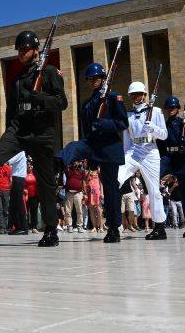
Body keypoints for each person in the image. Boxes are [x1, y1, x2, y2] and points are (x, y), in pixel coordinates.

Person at [0, 30, 67, 247]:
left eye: (25, 49)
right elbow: (11, 109)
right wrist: (9, 131)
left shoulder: (50, 72)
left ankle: (51, 229)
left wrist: (40, 98)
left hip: (41, 132)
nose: (21, 53)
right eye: (19, 50)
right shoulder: (18, 78)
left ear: (36, 50)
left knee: (46, 183)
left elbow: (62, 102)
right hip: (19, 128)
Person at [56, 61, 129, 243]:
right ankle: (56, 164)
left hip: (109, 147)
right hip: (93, 144)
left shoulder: (113, 97)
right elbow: (86, 129)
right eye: (90, 79)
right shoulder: (88, 103)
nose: (93, 81)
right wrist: (91, 159)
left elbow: (122, 123)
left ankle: (113, 228)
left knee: (111, 190)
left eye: (96, 78)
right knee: (74, 146)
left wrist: (104, 124)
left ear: (103, 78)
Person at [116, 81, 169, 240]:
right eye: (133, 95)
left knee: (154, 190)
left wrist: (153, 128)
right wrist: (125, 157)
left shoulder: (156, 111)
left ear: (144, 95)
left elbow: (164, 135)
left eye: (138, 94)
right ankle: (113, 220)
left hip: (150, 151)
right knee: (117, 177)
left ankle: (159, 227)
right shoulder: (128, 115)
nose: (135, 97)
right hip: (134, 151)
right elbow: (127, 140)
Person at [157, 95, 185, 237]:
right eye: (168, 108)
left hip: (183, 158)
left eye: (173, 107)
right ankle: (158, 226)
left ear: (178, 109)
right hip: (168, 158)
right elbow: (159, 145)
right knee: (153, 184)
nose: (170, 110)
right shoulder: (163, 126)